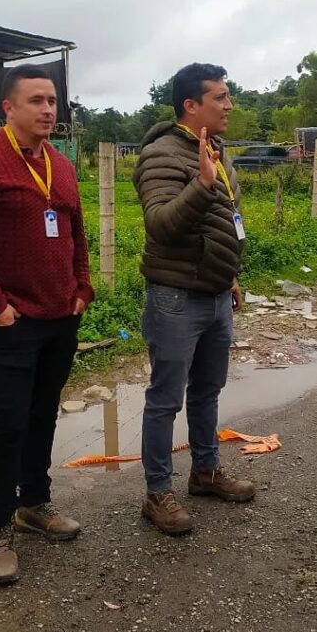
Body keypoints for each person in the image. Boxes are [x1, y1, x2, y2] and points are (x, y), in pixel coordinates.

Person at [0, 64, 94, 585]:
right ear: (8, 108)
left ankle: (35, 503)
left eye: (52, 100)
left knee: (43, 414)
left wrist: (82, 288)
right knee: (7, 425)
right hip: (10, 323)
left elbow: (75, 231)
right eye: (36, 101)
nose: (48, 110)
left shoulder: (60, 165)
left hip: (59, 317)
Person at [131, 63, 254, 537]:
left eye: (227, 96)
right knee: (165, 399)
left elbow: (225, 219)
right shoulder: (161, 154)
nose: (229, 105)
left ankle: (205, 471)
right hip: (176, 297)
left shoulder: (217, 149)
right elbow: (161, 224)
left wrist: (231, 275)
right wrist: (201, 186)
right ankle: (157, 492)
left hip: (216, 292)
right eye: (220, 97)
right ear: (191, 104)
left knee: (207, 390)